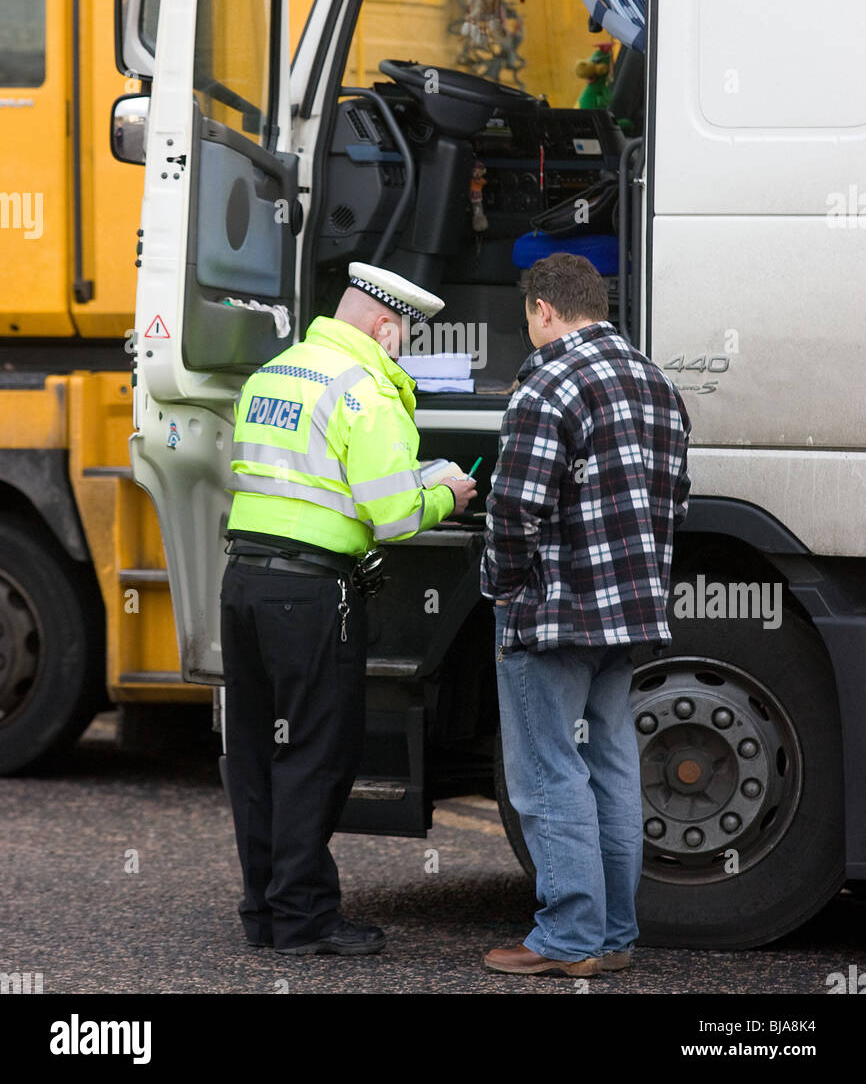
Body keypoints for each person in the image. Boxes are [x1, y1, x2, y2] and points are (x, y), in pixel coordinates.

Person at [220, 262, 477, 956]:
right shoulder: (362, 387)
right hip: (311, 592)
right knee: (316, 752)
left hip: (242, 579)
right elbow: (393, 514)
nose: (403, 351)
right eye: (404, 338)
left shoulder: (276, 372)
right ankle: (304, 918)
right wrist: (448, 494)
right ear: (386, 327)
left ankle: (266, 913)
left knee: (254, 753)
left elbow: (295, 477)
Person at [481, 252, 690, 977]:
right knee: (611, 764)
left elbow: (515, 504)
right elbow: (675, 498)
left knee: (547, 774)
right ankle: (612, 934)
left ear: (543, 309)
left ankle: (567, 939)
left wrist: (504, 585)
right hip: (628, 614)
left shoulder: (549, 379)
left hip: (554, 610)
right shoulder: (656, 382)